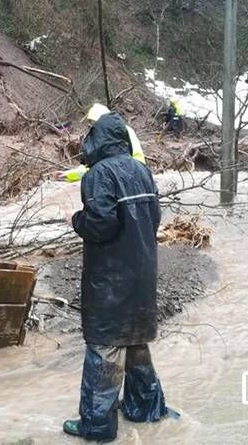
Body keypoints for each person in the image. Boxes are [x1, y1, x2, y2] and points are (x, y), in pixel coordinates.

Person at [63, 111, 175, 442]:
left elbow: (100, 224)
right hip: (143, 272)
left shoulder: (98, 174)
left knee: (105, 347)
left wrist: (75, 220)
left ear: (95, 142)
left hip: (111, 278)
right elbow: (154, 217)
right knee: (136, 342)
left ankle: (97, 427)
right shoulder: (141, 170)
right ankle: (147, 409)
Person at [57, 103, 145, 183]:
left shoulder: (125, 131)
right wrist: (69, 174)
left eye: (94, 122)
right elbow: (92, 167)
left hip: (129, 179)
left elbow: (138, 158)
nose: (92, 125)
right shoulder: (99, 137)